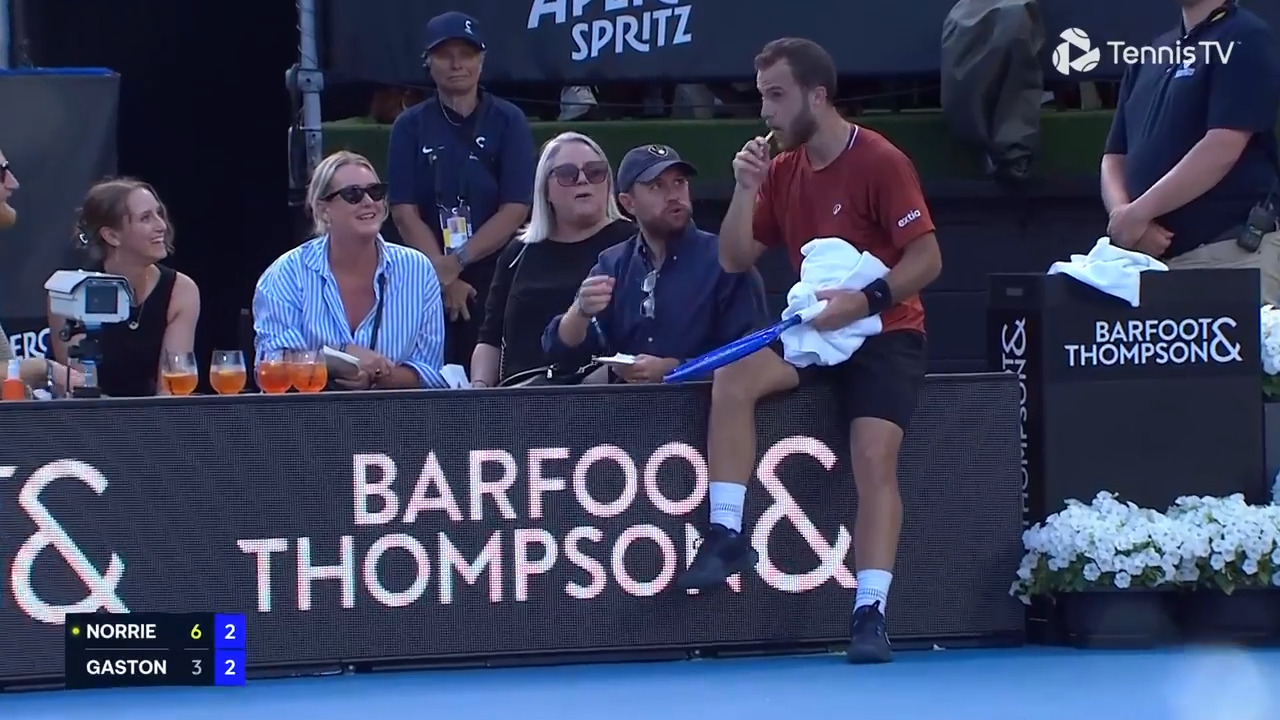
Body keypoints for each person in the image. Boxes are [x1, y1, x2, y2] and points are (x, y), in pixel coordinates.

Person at [678, 39, 942, 665]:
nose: (765, 111)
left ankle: (870, 612)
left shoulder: (880, 160)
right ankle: (726, 532)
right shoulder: (780, 169)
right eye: (762, 96)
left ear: (817, 96)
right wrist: (745, 188)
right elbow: (734, 258)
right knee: (733, 376)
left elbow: (928, 260)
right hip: (814, 331)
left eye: (776, 96)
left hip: (885, 330)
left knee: (873, 459)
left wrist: (864, 301)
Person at [1102, 0, 1280, 303]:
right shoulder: (1153, 52)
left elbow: (1223, 146)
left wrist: (1138, 214)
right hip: (1150, 266)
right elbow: (1114, 156)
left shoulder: (1245, 36)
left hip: (1231, 255)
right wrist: (1125, 219)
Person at [542, 144, 767, 382]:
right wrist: (580, 312)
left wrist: (676, 369)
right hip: (627, 401)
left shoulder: (725, 260)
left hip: (704, 400)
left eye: (679, 182)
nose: (673, 195)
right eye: (657, 186)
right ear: (628, 203)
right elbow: (559, 352)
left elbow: (754, 354)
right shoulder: (613, 264)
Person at [387, 11, 535, 367]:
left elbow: (516, 207)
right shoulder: (409, 125)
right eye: (445, 55)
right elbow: (403, 211)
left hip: (493, 271)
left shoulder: (508, 120)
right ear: (428, 62)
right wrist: (440, 273)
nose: (457, 64)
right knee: (426, 370)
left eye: (466, 54)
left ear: (481, 61)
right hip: (425, 272)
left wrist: (457, 262)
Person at [254, 151, 448, 390]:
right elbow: (272, 364)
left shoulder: (418, 271)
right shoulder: (287, 274)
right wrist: (339, 356)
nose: (368, 202)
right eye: (353, 194)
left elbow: (430, 372)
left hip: (392, 412)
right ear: (323, 209)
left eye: (375, 192)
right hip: (309, 411)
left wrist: (376, 376)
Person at [470, 132, 634, 386]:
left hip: (601, 394)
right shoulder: (518, 251)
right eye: (568, 174)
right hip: (522, 395)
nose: (583, 180)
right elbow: (490, 338)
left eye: (595, 172)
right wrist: (479, 388)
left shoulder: (632, 243)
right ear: (545, 189)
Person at [47, 178, 200, 397]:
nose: (161, 226)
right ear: (111, 236)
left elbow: (172, 390)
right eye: (146, 218)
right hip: (92, 416)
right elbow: (83, 392)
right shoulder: (72, 292)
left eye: (159, 214)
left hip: (156, 416)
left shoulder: (181, 290)